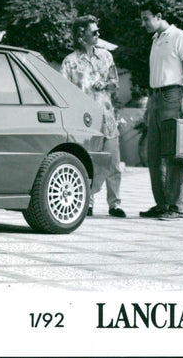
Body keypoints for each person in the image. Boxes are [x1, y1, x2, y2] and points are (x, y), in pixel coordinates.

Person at [61, 15, 126, 218]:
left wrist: (106, 84)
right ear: (82, 36)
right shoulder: (70, 62)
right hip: (85, 121)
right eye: (94, 32)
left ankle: (114, 204)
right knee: (87, 162)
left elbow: (115, 82)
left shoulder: (106, 56)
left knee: (113, 162)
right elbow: (64, 92)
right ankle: (87, 202)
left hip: (107, 117)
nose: (98, 34)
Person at [138, 0, 183, 221]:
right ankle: (162, 204)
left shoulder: (180, 37)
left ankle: (177, 207)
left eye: (147, 19)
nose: (144, 23)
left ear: (159, 16)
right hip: (154, 96)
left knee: (172, 153)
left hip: (172, 95)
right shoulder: (156, 39)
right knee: (153, 154)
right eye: (142, 19)